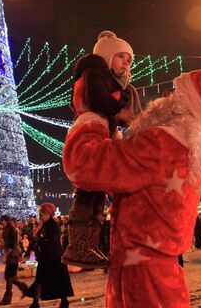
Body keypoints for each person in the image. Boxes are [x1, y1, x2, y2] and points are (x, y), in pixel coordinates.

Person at [63, 63, 201, 306]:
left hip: (143, 276)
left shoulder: (162, 143)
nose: (166, 96)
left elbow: (85, 164)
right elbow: (128, 183)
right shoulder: (185, 151)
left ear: (183, 106)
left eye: (176, 93)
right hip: (152, 270)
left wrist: (91, 117)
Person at [63, 31, 142, 269]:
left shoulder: (116, 83)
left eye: (129, 60)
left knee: (96, 194)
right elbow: (97, 97)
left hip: (101, 133)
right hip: (90, 134)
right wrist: (120, 112)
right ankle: (78, 247)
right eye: (120, 57)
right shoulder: (95, 72)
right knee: (89, 189)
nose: (125, 63)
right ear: (107, 57)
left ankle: (87, 246)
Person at [27, 203, 74, 308]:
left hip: (54, 258)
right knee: (40, 279)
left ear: (48, 214)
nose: (40, 216)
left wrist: (39, 240)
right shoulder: (45, 224)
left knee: (57, 280)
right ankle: (35, 303)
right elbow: (36, 237)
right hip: (47, 257)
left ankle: (64, 301)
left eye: (42, 214)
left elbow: (51, 241)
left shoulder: (53, 225)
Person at [0, 215, 28, 305]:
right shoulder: (6, 229)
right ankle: (23, 287)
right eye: (1, 220)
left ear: (7, 221)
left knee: (9, 277)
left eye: (3, 220)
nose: (2, 222)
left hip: (13, 255)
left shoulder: (13, 230)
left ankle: (7, 298)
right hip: (10, 254)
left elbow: (13, 244)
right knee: (9, 277)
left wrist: (6, 255)